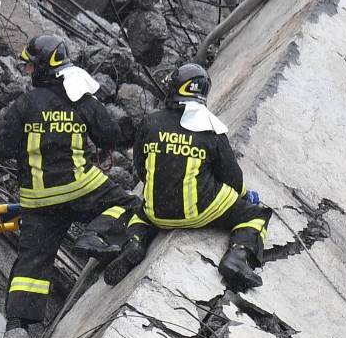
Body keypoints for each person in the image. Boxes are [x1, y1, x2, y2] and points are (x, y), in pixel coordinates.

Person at [0, 34, 138, 330]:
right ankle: (96, 235)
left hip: (37, 200)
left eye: (29, 67)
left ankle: (17, 332)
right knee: (131, 206)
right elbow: (111, 137)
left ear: (42, 67)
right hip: (80, 189)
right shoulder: (82, 99)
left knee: (33, 261)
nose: (27, 73)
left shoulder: (25, 104)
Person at [100, 63, 272, 289]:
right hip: (201, 212)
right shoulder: (211, 129)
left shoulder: (150, 122)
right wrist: (243, 196)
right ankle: (237, 257)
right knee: (256, 215)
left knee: (139, 214)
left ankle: (135, 242)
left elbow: (140, 168)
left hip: (157, 213)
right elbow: (233, 179)